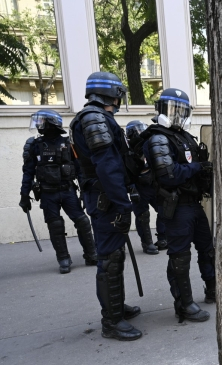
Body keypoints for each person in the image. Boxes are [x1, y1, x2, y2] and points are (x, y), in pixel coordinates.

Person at [70, 71, 142, 341]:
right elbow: (107, 165)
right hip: (106, 199)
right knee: (109, 260)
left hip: (106, 197)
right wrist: (122, 204)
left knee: (115, 257)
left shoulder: (95, 117)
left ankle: (116, 307)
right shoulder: (95, 118)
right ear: (111, 93)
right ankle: (111, 322)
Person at [142, 88, 215, 323]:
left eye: (181, 110)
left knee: (208, 249)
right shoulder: (158, 138)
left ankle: (213, 289)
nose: (177, 115)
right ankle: (184, 305)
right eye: (173, 110)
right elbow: (168, 175)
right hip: (176, 207)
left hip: (194, 204)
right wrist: (198, 168)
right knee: (180, 258)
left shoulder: (182, 136)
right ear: (162, 110)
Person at [19, 109, 97, 274]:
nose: (38, 125)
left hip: (68, 190)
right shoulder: (34, 146)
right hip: (47, 194)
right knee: (55, 226)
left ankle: (91, 254)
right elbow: (28, 172)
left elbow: (80, 169)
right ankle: (63, 258)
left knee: (82, 221)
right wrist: (24, 195)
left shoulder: (69, 144)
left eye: (41, 121)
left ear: (51, 123)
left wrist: (84, 190)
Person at [125, 120, 166, 255]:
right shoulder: (127, 150)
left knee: (164, 209)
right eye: (138, 130)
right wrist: (131, 188)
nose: (141, 133)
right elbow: (126, 172)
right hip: (138, 186)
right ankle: (147, 243)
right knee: (143, 215)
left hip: (152, 184)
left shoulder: (148, 146)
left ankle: (163, 239)